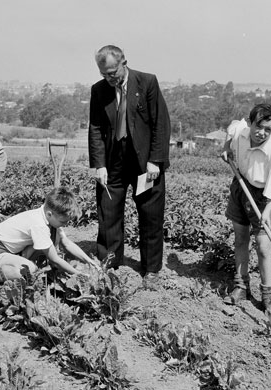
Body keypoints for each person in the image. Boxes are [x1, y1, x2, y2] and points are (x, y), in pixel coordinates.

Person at [88, 45, 171, 289]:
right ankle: (110, 264)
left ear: (124, 62)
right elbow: (95, 129)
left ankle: (151, 270)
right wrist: (99, 165)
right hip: (114, 160)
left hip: (145, 161)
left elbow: (160, 123)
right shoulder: (99, 90)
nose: (109, 78)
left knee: (150, 215)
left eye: (112, 72)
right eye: (104, 74)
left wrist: (155, 160)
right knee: (108, 210)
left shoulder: (147, 83)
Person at [0, 187, 98, 297]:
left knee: (47, 245)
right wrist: (80, 275)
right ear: (50, 214)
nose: (65, 225)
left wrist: (89, 261)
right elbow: (55, 260)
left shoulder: (47, 218)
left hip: (11, 253)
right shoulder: (39, 225)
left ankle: (10, 275)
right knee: (29, 269)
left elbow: (67, 243)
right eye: (63, 222)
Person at [221, 103, 271, 314]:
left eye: (268, 129)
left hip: (262, 196)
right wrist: (226, 146)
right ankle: (241, 285)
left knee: (263, 245)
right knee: (240, 238)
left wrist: (266, 212)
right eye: (259, 126)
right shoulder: (241, 132)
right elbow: (233, 127)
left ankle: (267, 296)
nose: (262, 133)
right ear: (250, 123)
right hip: (240, 186)